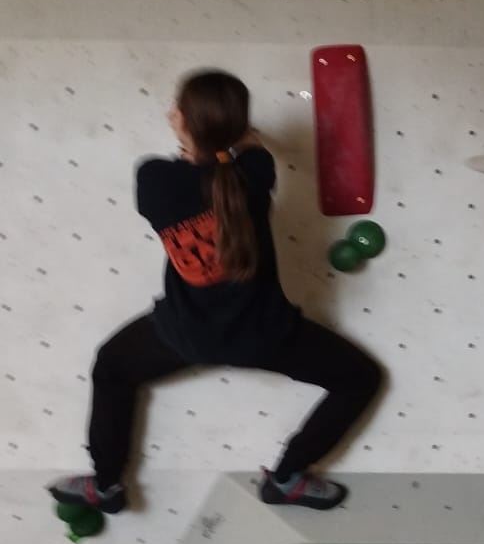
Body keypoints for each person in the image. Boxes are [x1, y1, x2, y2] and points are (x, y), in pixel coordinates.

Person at [50, 69, 382, 514]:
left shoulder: (154, 180)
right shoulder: (255, 173)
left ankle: (106, 485)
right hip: (264, 334)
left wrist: (207, 148)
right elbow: (251, 150)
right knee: (360, 378)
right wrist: (235, 141)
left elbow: (205, 167)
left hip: (182, 333)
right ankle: (286, 479)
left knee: (111, 369)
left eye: (176, 108)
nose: (170, 113)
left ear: (184, 122)